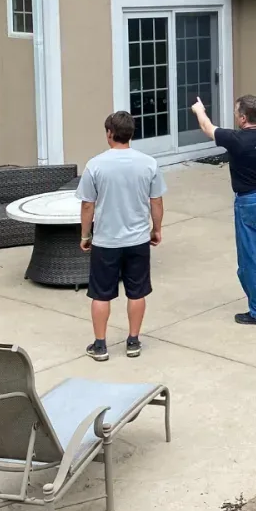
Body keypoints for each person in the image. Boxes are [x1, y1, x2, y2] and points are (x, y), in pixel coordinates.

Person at [190, 94, 256, 325]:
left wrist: (199, 109)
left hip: (249, 201)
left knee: (250, 257)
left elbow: (207, 127)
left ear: (242, 118)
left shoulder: (236, 139)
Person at [77, 110, 166, 361]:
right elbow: (156, 201)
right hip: (138, 239)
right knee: (137, 292)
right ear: (131, 134)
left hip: (106, 240)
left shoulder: (95, 165)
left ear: (109, 133)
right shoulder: (148, 163)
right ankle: (133, 341)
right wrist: (156, 228)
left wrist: (85, 235)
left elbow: (87, 205)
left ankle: (100, 345)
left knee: (100, 293)